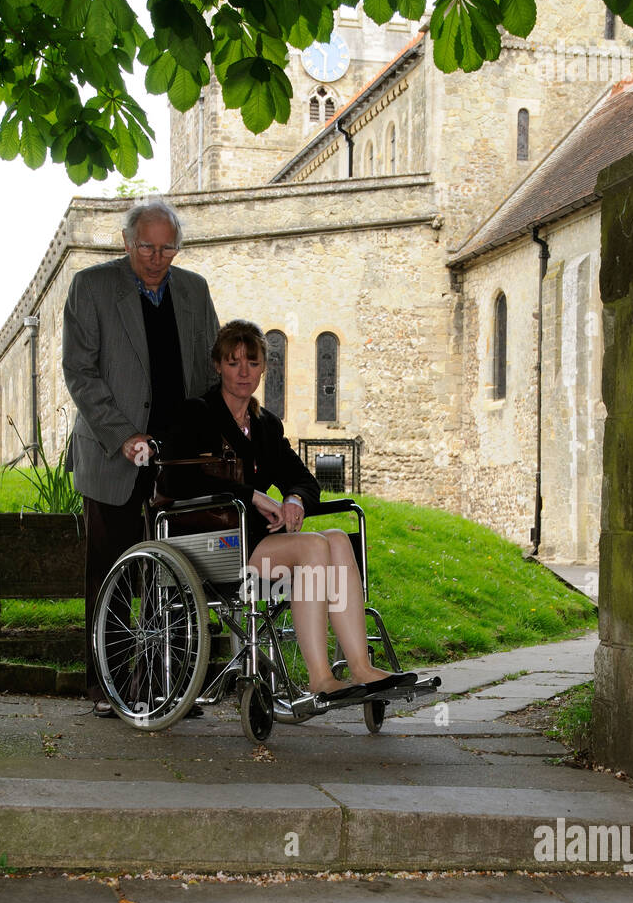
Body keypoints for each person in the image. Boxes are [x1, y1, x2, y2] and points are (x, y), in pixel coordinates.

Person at [163, 320, 417, 701]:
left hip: (255, 540)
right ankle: (319, 679)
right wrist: (250, 495)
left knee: (335, 540)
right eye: (234, 363)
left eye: (252, 362)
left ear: (264, 366)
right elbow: (176, 483)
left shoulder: (265, 426)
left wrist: (295, 499)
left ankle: (360, 666)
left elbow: (304, 480)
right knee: (314, 546)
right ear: (218, 366)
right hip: (209, 540)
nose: (244, 372)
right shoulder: (196, 414)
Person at [61, 199, 219, 715]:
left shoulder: (194, 290)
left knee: (176, 575)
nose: (156, 257)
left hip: (179, 463)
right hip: (112, 455)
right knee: (112, 574)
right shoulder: (91, 287)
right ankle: (108, 685)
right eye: (146, 246)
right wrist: (124, 434)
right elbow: (81, 373)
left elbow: (211, 372)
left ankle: (168, 687)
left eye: (166, 247)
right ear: (127, 243)